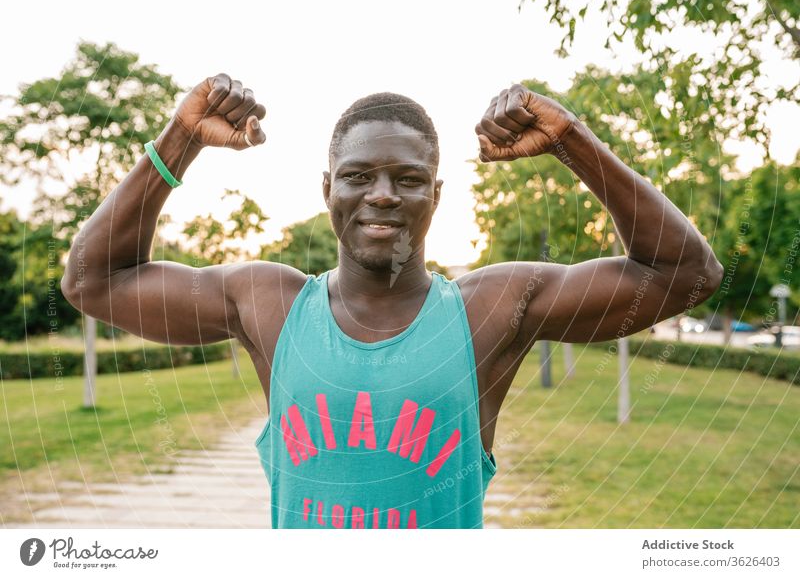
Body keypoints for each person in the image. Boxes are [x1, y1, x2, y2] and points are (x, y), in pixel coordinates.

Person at [62, 74, 722, 529]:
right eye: (358, 176)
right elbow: (92, 280)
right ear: (328, 189)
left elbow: (686, 273)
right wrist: (179, 140)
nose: (381, 194)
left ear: (436, 196)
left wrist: (569, 140)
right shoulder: (269, 303)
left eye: (406, 179)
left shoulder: (489, 309)